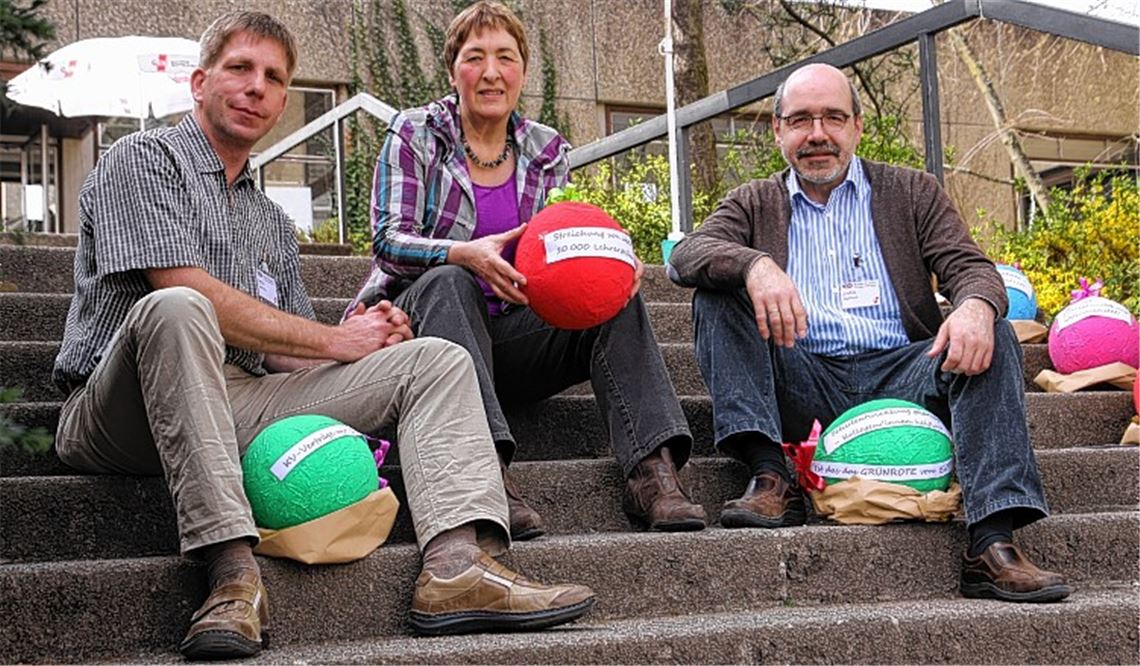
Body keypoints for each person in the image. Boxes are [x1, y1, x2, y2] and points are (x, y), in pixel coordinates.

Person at [51, 11, 595, 661]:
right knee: (178, 308)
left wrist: (368, 335)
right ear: (198, 83)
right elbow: (183, 286)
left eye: (274, 78)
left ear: (284, 101)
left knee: (436, 361)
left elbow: (285, 352)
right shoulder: (140, 160)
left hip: (237, 400)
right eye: (239, 69)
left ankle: (457, 568)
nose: (257, 87)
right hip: (120, 406)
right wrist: (334, 342)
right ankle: (231, 577)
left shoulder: (272, 221)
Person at [669, 63, 1071, 603]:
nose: (818, 134)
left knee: (990, 327)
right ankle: (772, 476)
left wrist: (975, 305)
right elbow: (688, 255)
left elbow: (971, 268)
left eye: (833, 117)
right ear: (778, 130)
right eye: (801, 120)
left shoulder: (911, 191)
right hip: (802, 375)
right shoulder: (753, 201)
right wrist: (756, 266)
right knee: (716, 294)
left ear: (857, 126)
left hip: (905, 375)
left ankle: (991, 541)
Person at [349, 0, 706, 537]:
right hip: (425, 338)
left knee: (613, 294)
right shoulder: (416, 133)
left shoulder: (547, 149)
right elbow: (386, 243)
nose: (491, 72)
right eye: (475, 58)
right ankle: (483, 475)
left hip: (512, 339)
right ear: (453, 71)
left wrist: (609, 261)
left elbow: (562, 250)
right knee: (450, 279)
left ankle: (653, 474)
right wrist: (461, 253)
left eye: (505, 58)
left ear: (522, 71)